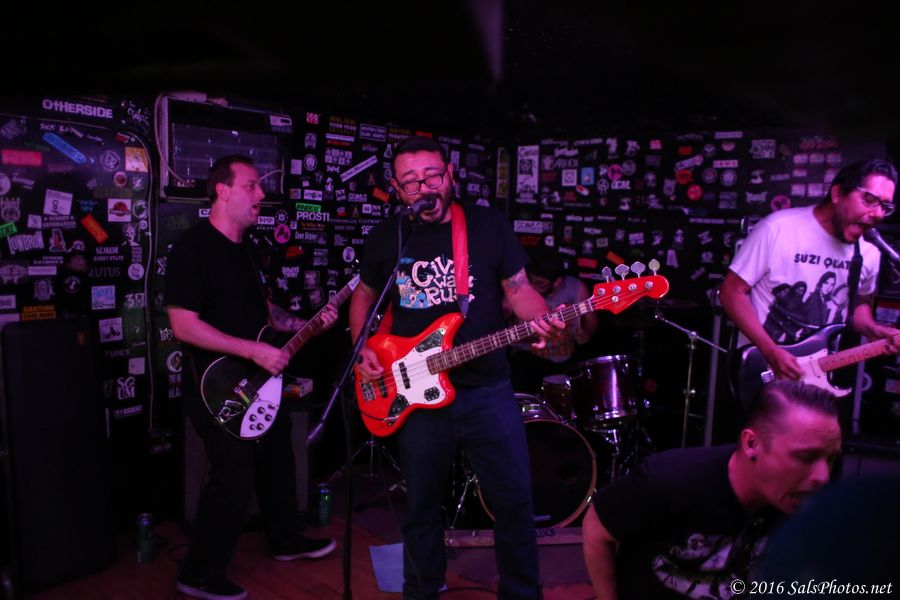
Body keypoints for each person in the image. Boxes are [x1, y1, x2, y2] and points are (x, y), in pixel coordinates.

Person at [349, 135, 565, 600]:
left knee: (513, 502)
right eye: (410, 181)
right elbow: (364, 295)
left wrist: (539, 317)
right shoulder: (388, 237)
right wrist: (362, 345)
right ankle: (421, 591)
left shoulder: (487, 226)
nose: (423, 186)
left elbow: (519, 289)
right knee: (421, 507)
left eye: (431, 175)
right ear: (397, 189)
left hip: (486, 389)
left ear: (450, 175)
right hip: (413, 391)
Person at [166, 155, 338, 600]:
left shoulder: (246, 249)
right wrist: (251, 350)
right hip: (214, 386)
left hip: (257, 380)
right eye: (251, 185)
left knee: (277, 455)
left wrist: (306, 324)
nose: (261, 194)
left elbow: (265, 315)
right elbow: (183, 325)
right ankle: (198, 574)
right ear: (222, 191)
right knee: (233, 472)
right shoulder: (193, 248)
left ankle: (286, 541)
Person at [582, 381, 842, 600]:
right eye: (805, 457)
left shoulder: (807, 500)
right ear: (752, 443)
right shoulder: (669, 481)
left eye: (830, 459)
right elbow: (596, 527)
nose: (823, 477)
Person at [720, 158, 900, 383]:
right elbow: (731, 292)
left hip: (820, 375)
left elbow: (857, 306)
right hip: (765, 369)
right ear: (837, 194)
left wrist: (874, 329)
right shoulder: (778, 228)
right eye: (870, 200)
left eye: (885, 207)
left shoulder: (868, 252)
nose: (878, 214)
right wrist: (771, 351)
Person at [506, 245, 599, 393]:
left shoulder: (576, 287)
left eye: (540, 283)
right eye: (531, 281)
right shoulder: (519, 289)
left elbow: (592, 321)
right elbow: (501, 318)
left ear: (557, 282)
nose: (534, 287)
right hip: (529, 358)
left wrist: (586, 333)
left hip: (566, 357)